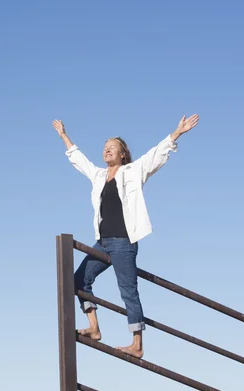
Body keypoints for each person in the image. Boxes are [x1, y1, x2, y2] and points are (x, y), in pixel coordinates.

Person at [52, 114, 199, 359]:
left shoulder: (132, 171)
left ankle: (137, 344)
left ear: (122, 154)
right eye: (105, 147)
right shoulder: (99, 176)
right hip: (103, 242)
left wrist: (177, 133)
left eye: (112, 147)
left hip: (123, 242)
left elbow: (156, 154)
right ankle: (94, 328)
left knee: (128, 290)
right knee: (78, 280)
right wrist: (64, 136)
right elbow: (79, 161)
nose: (107, 150)